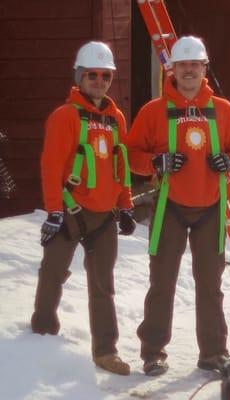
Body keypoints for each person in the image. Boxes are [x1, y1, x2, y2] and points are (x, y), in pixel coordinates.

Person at [127, 36, 230, 376]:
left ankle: (214, 353)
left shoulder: (223, 110)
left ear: (204, 69)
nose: (189, 71)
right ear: (173, 69)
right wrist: (157, 161)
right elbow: (132, 155)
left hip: (211, 207)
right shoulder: (154, 111)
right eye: (183, 65)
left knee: (210, 285)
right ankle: (153, 350)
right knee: (162, 282)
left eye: (195, 65)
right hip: (170, 206)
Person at [32, 41, 135, 375]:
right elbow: (50, 165)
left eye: (105, 75)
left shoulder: (116, 117)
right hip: (70, 211)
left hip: (104, 216)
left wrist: (126, 205)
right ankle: (41, 334)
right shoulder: (66, 116)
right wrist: (53, 211)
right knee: (53, 274)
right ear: (80, 76)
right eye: (92, 74)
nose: (99, 80)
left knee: (103, 285)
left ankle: (106, 352)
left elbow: (122, 165)